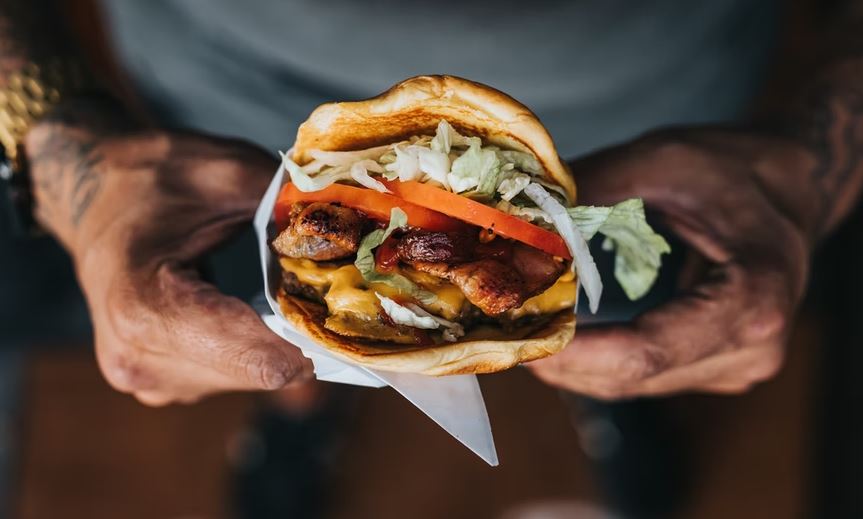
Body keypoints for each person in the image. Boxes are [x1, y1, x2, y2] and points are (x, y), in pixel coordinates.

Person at [0, 0, 860, 440]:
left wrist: (813, 159)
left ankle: (622, 412)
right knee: (274, 348)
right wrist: (58, 142)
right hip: (217, 118)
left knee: (636, 329)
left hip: (673, 124)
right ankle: (303, 418)